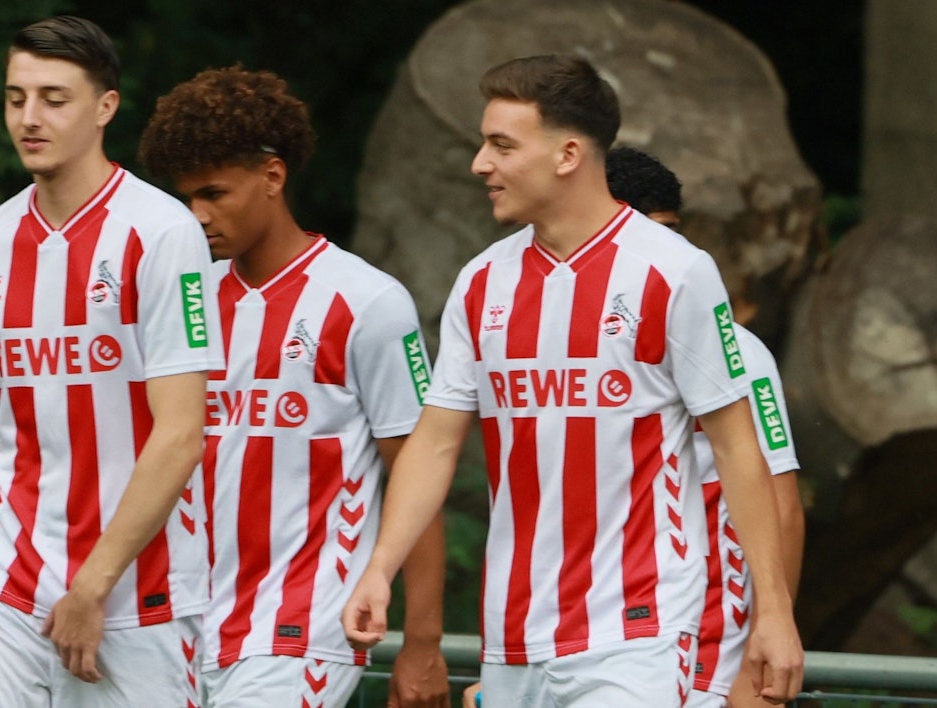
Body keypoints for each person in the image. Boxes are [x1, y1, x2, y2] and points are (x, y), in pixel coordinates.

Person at [342, 54, 803, 708]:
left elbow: (736, 449)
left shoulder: (674, 271)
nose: (480, 164)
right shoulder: (482, 281)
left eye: (502, 145)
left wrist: (774, 616)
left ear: (567, 155)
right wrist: (380, 567)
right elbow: (437, 442)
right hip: (513, 635)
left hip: (637, 631)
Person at [138, 66, 449, 708]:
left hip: (300, 631)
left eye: (215, 193)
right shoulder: (181, 302)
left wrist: (422, 641)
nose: (198, 216)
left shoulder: (368, 303)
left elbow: (419, 472)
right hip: (176, 633)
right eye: (187, 198)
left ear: (273, 176)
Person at [0, 16, 223, 707]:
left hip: (136, 589)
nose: (29, 118)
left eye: (54, 99)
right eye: (16, 98)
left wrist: (91, 585)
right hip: (5, 581)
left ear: (105, 107)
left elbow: (181, 433)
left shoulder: (163, 233)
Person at [460, 146, 805, 708]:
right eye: (650, 230)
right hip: (566, 637)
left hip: (701, 638)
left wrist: (758, 654)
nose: (666, 250)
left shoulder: (737, 351)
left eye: (673, 231)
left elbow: (782, 503)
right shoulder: (533, 330)